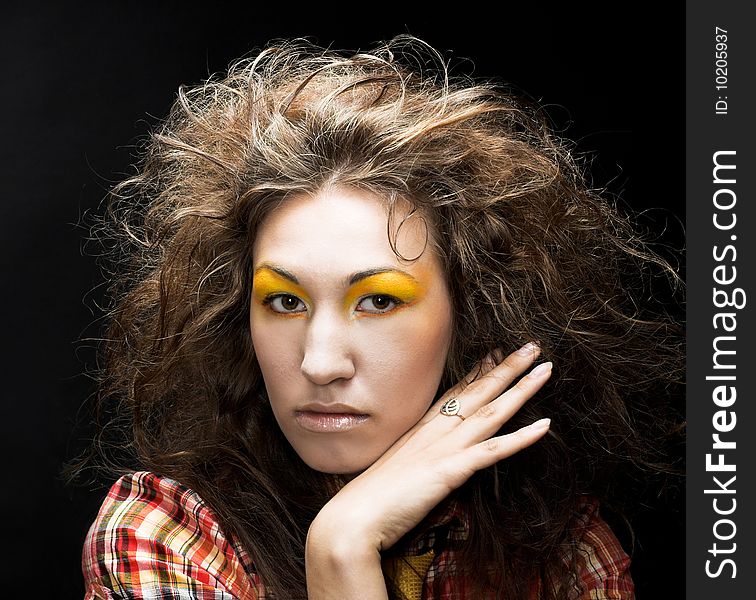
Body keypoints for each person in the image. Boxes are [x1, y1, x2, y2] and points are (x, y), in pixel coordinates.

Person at [79, 36, 682, 599]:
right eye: (285, 302)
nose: (319, 363)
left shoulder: (562, 557)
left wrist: (345, 546)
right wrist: (341, 553)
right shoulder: (168, 537)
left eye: (379, 301)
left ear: (471, 316)